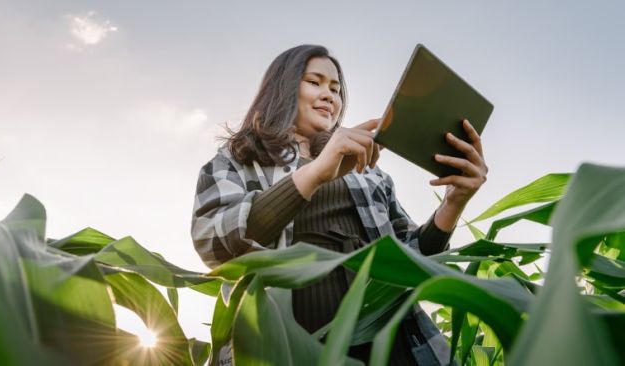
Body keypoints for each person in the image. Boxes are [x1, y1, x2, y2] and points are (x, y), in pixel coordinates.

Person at [191, 45, 488, 365]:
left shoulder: (371, 174)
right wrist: (315, 174)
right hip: (288, 350)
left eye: (336, 89)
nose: (329, 95)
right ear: (283, 87)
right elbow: (215, 244)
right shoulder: (239, 160)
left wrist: (453, 204)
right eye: (315, 82)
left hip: (391, 346)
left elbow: (412, 261)